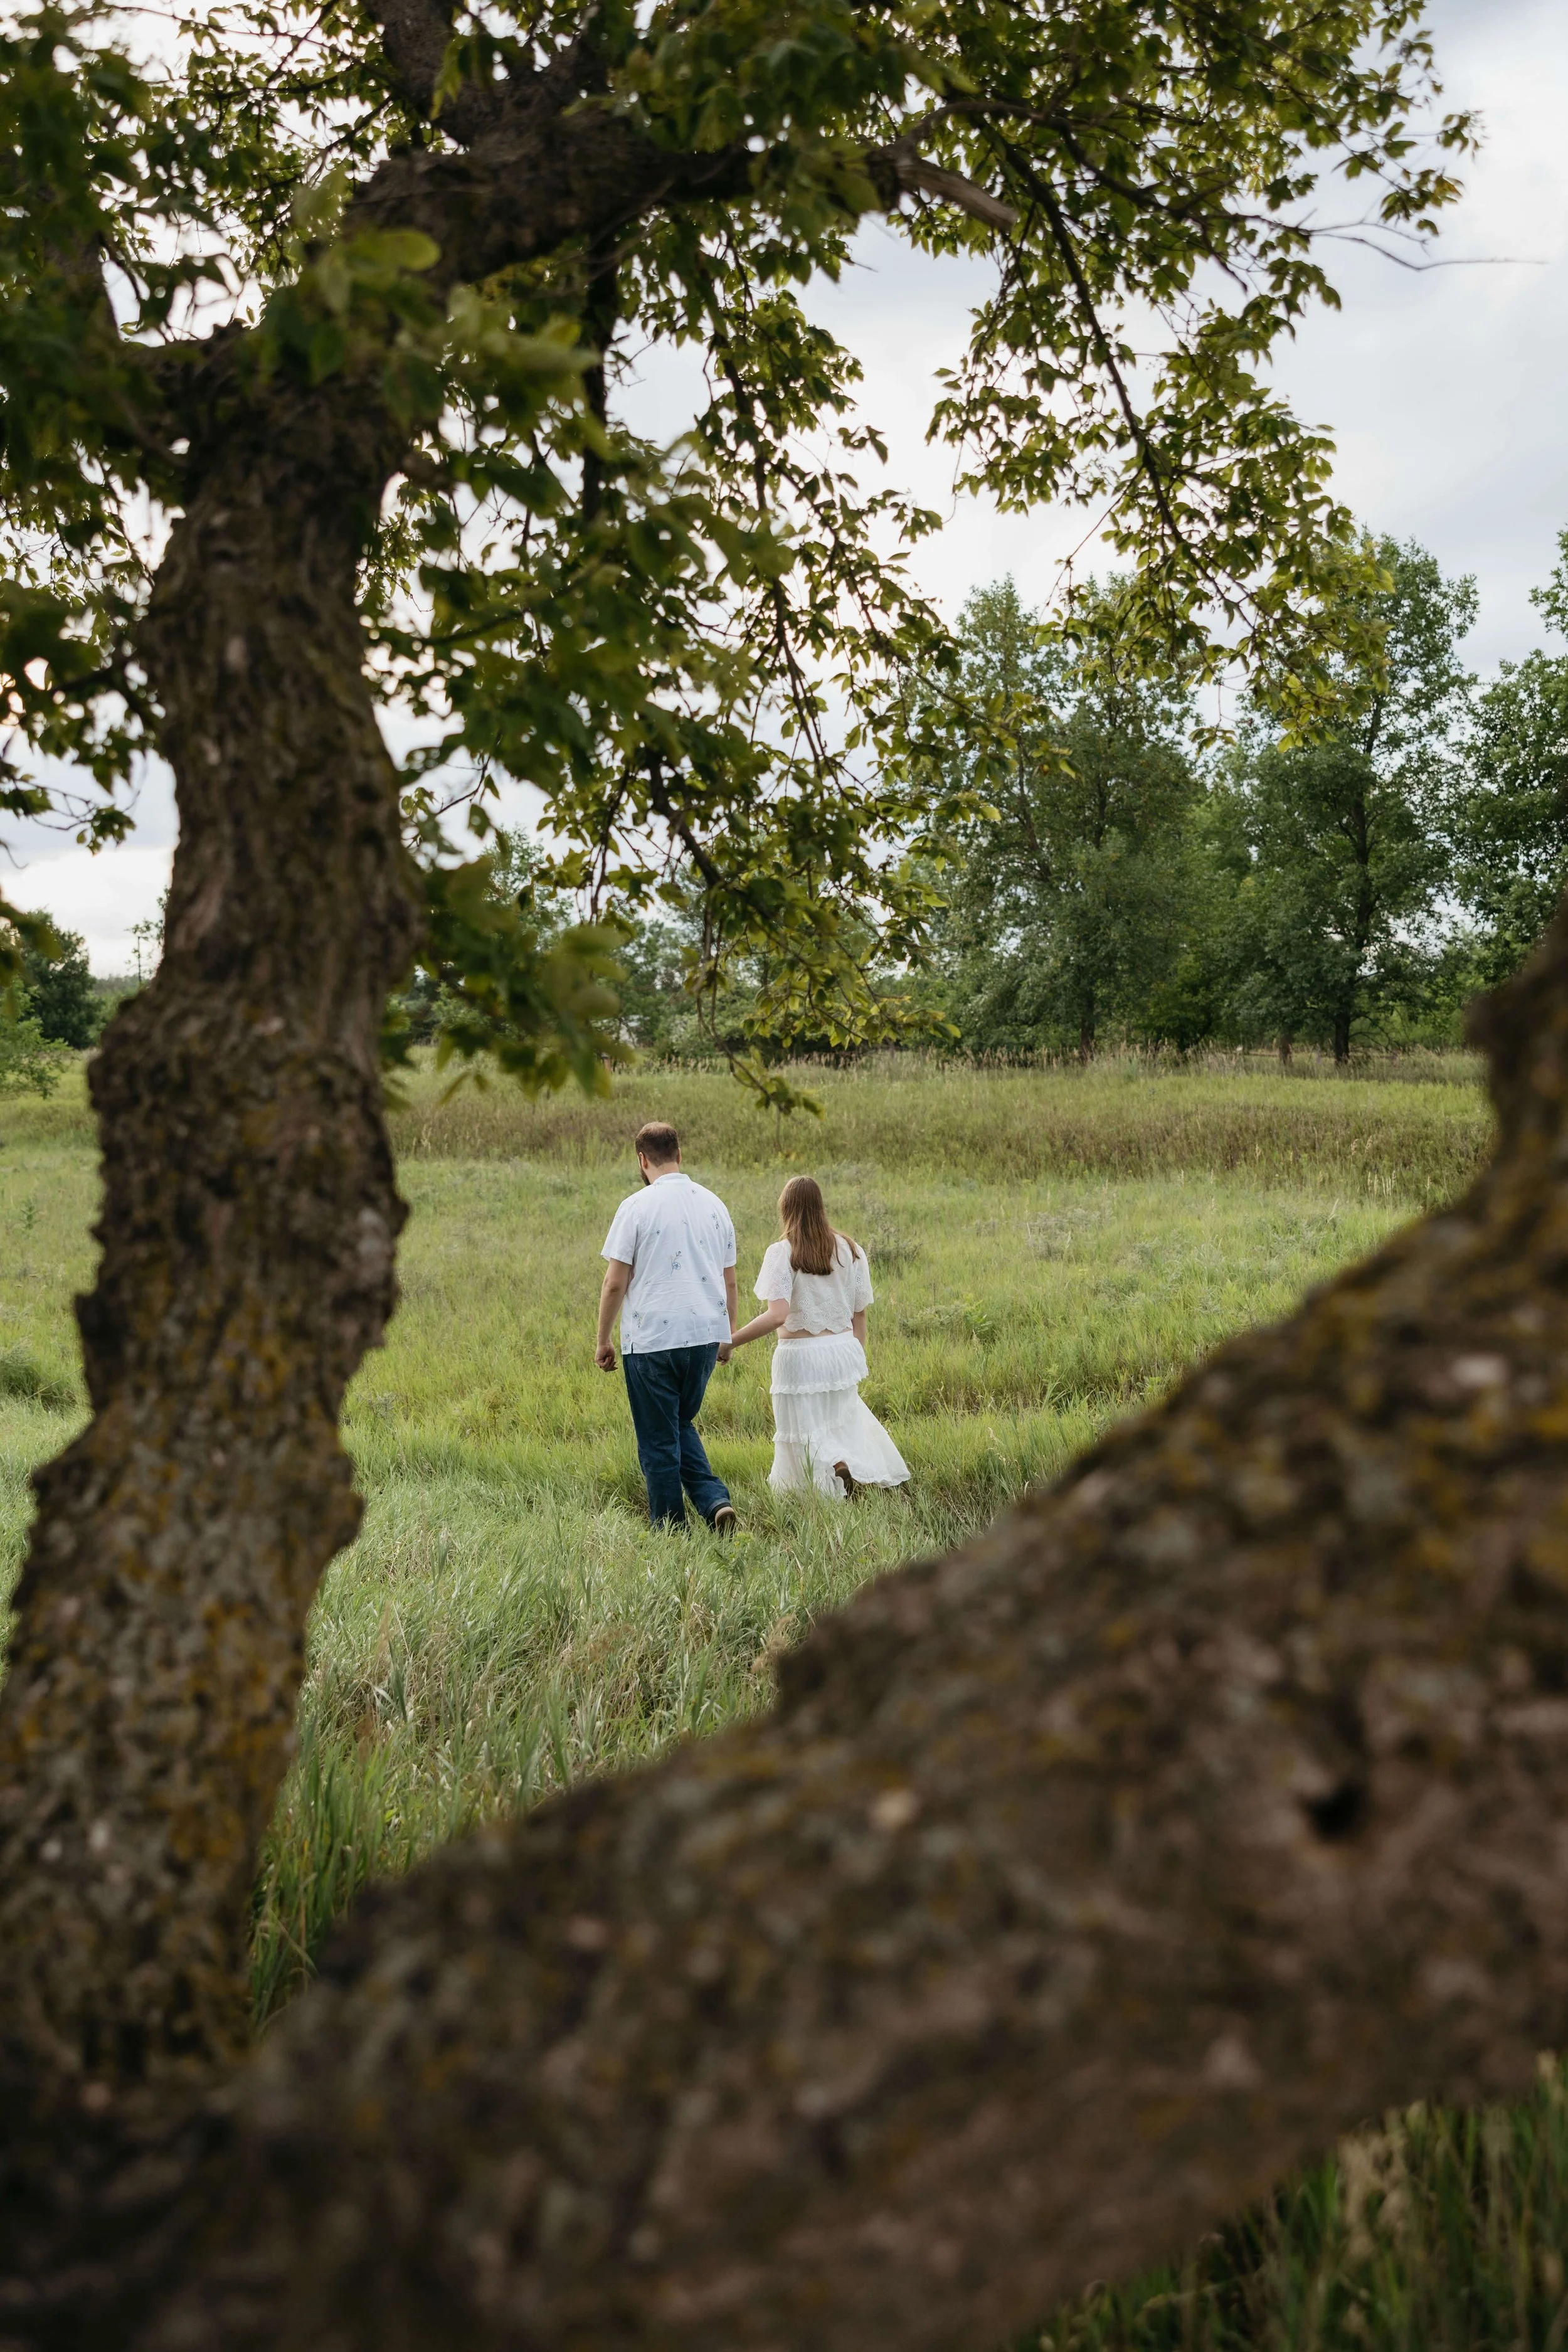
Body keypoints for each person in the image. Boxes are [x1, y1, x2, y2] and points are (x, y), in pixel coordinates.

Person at [721, 1174, 909, 1498]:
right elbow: (860, 1314)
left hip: (800, 1355)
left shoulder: (783, 1252)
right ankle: (841, 1465)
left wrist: (730, 1341)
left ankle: (830, 1473)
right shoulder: (851, 1250)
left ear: (786, 1210)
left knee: (805, 1429)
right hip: (842, 1350)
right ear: (821, 1207)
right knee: (837, 1420)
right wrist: (855, 1357)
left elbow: (777, 1315)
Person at [596, 1121, 739, 1534]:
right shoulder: (715, 1205)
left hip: (652, 1341)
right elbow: (730, 1280)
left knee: (659, 1439)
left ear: (642, 1160)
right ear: (680, 1153)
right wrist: (728, 1334)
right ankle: (714, 1502)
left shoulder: (636, 1207)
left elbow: (615, 1282)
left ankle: (670, 1531)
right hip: (704, 1337)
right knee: (676, 1423)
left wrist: (604, 1339)